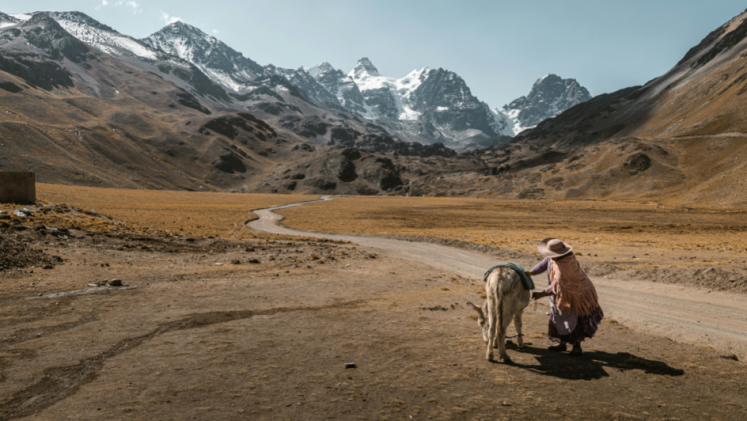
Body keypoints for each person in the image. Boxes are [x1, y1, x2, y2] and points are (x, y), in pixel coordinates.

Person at [525, 238, 603, 356]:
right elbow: (544, 264)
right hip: (562, 295)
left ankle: (577, 347)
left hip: (574, 295)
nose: (549, 256)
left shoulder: (564, 265)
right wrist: (531, 272)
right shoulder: (555, 258)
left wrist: (541, 294)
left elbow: (557, 286)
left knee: (572, 318)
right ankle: (562, 343)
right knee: (559, 317)